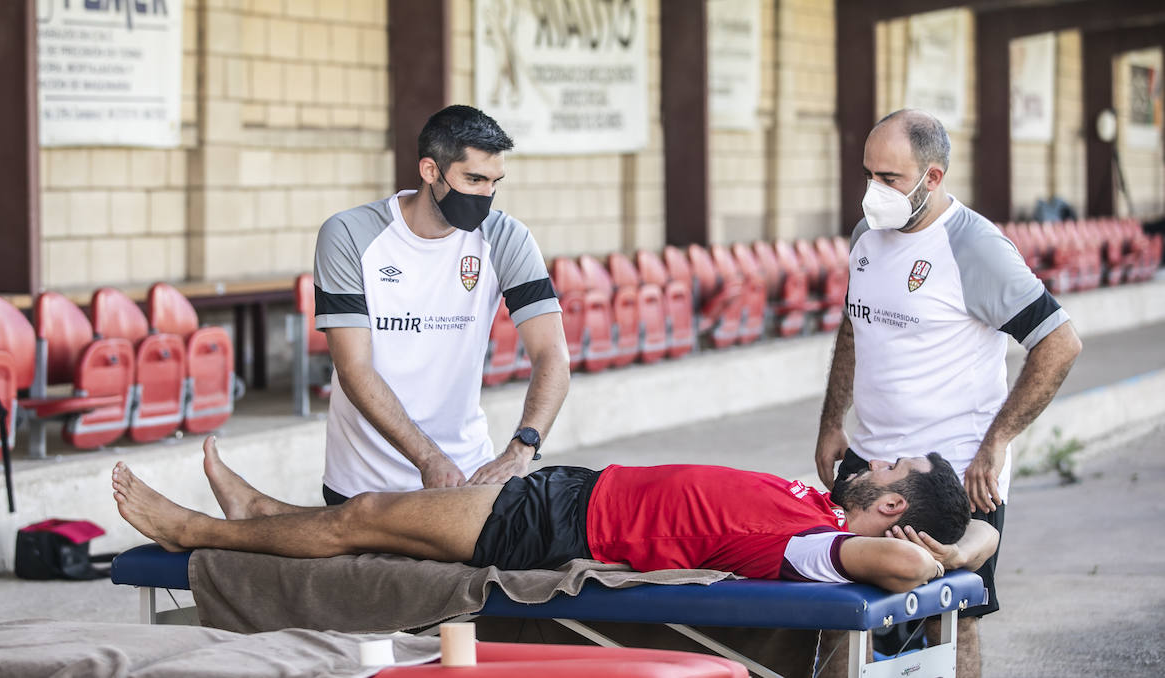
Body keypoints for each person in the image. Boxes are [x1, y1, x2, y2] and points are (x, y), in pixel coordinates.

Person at [815, 109, 1083, 675]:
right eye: (868, 174)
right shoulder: (867, 235)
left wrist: (997, 442)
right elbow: (853, 326)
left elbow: (1059, 343)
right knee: (844, 606)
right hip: (871, 461)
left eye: (888, 179)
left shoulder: (976, 248)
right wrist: (831, 421)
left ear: (932, 178)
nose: (873, 191)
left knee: (952, 619)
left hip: (955, 470)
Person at [112, 437, 999, 595]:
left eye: (888, 467)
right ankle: (262, 510)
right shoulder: (819, 503)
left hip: (564, 531)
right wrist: (968, 539)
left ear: (889, 506)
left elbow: (904, 568)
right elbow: (978, 533)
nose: (871, 457)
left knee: (368, 518)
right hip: (573, 492)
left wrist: (949, 559)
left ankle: (201, 533)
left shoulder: (823, 546)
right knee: (378, 519)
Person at [311, 105, 569, 504]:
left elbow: (552, 353)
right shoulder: (349, 234)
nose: (486, 195)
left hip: (468, 477)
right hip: (363, 483)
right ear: (431, 171)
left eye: (494, 182)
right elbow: (354, 368)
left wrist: (523, 448)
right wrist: (428, 459)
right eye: (474, 179)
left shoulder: (504, 237)